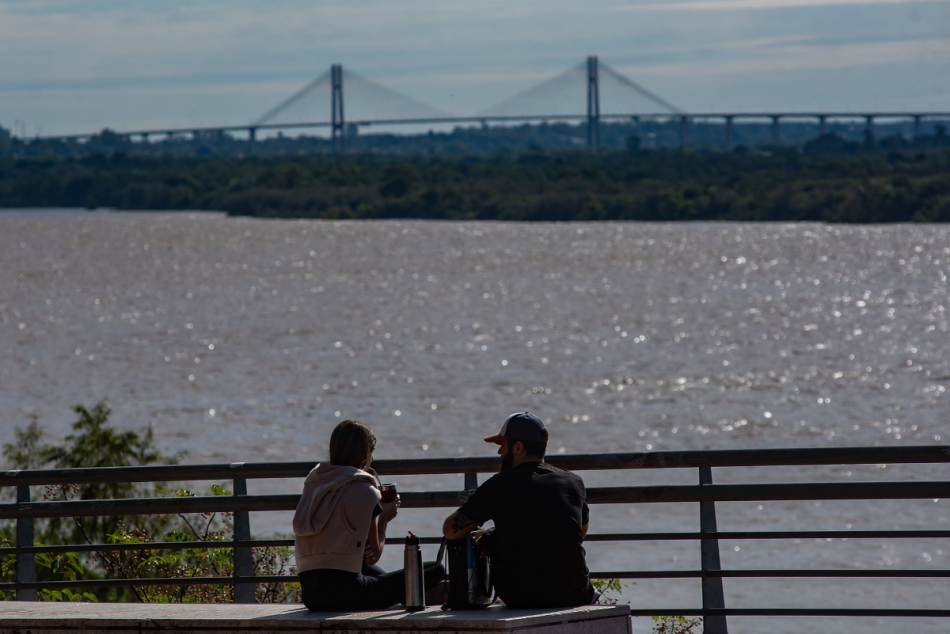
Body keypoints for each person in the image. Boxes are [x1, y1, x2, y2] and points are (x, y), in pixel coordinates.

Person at [442, 412, 597, 608]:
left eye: (502, 446)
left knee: (491, 536)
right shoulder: (573, 481)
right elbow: (581, 532)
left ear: (518, 447)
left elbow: (450, 530)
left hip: (521, 596)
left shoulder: (500, 485)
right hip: (574, 593)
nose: (499, 453)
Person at [294, 419, 445, 611]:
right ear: (363, 453)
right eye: (371, 452)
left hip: (311, 596)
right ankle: (412, 593)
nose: (372, 459)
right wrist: (384, 518)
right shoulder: (365, 491)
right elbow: (375, 555)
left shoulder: (314, 485)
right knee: (435, 569)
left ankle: (405, 592)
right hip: (349, 595)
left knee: (363, 563)